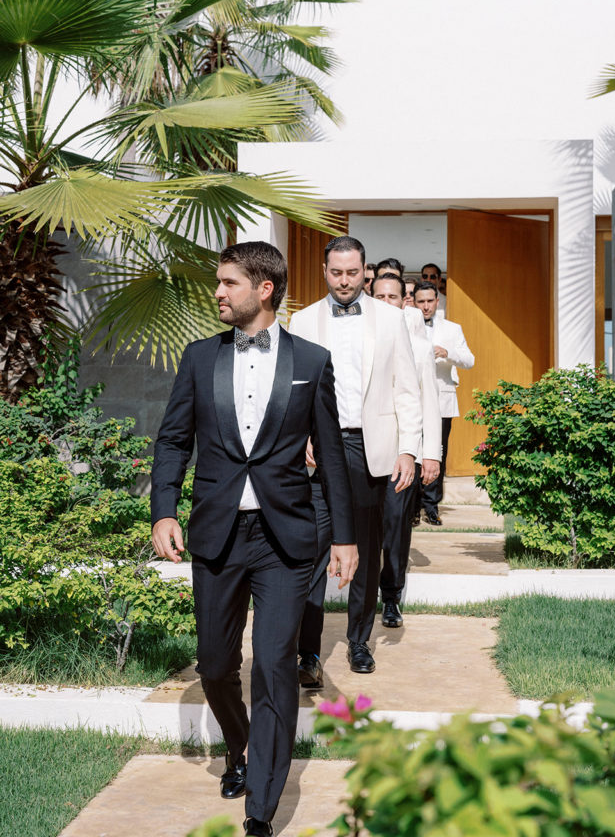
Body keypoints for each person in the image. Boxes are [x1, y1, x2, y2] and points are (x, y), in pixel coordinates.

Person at [150, 241, 358, 837]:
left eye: (228, 283)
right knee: (216, 665)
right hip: (217, 534)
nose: (217, 292)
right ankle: (238, 746)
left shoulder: (311, 361)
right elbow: (173, 440)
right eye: (219, 282)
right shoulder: (199, 358)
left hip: (284, 537)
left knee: (273, 665)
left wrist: (345, 537)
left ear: (264, 289)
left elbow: (333, 456)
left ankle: (261, 808)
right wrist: (164, 510)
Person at [289, 236, 421, 676]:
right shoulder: (302, 320)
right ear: (324, 272)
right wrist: (298, 436)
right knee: (312, 550)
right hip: (317, 453)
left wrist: (408, 449)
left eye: (351, 273)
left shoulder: (391, 318)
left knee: (365, 549)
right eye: (336, 272)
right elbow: (292, 389)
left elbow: (407, 388)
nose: (344, 281)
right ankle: (308, 654)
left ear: (364, 272)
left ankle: (359, 641)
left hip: (369, 449)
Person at [371, 274, 441, 627]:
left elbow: (430, 401)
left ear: (404, 302)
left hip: (403, 452)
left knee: (396, 525)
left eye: (393, 297)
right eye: (380, 296)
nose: (386, 303)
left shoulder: (420, 345)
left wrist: (431, 453)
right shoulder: (361, 338)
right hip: (361, 451)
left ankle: (391, 596)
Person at [413, 280, 474, 526]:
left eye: (430, 301)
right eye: (421, 301)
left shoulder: (452, 329)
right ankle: (412, 507)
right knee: (413, 452)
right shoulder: (405, 326)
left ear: (437, 302)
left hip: (442, 401)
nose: (426, 306)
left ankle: (431, 506)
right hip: (413, 402)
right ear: (414, 303)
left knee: (438, 453)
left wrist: (448, 353)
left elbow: (469, 360)